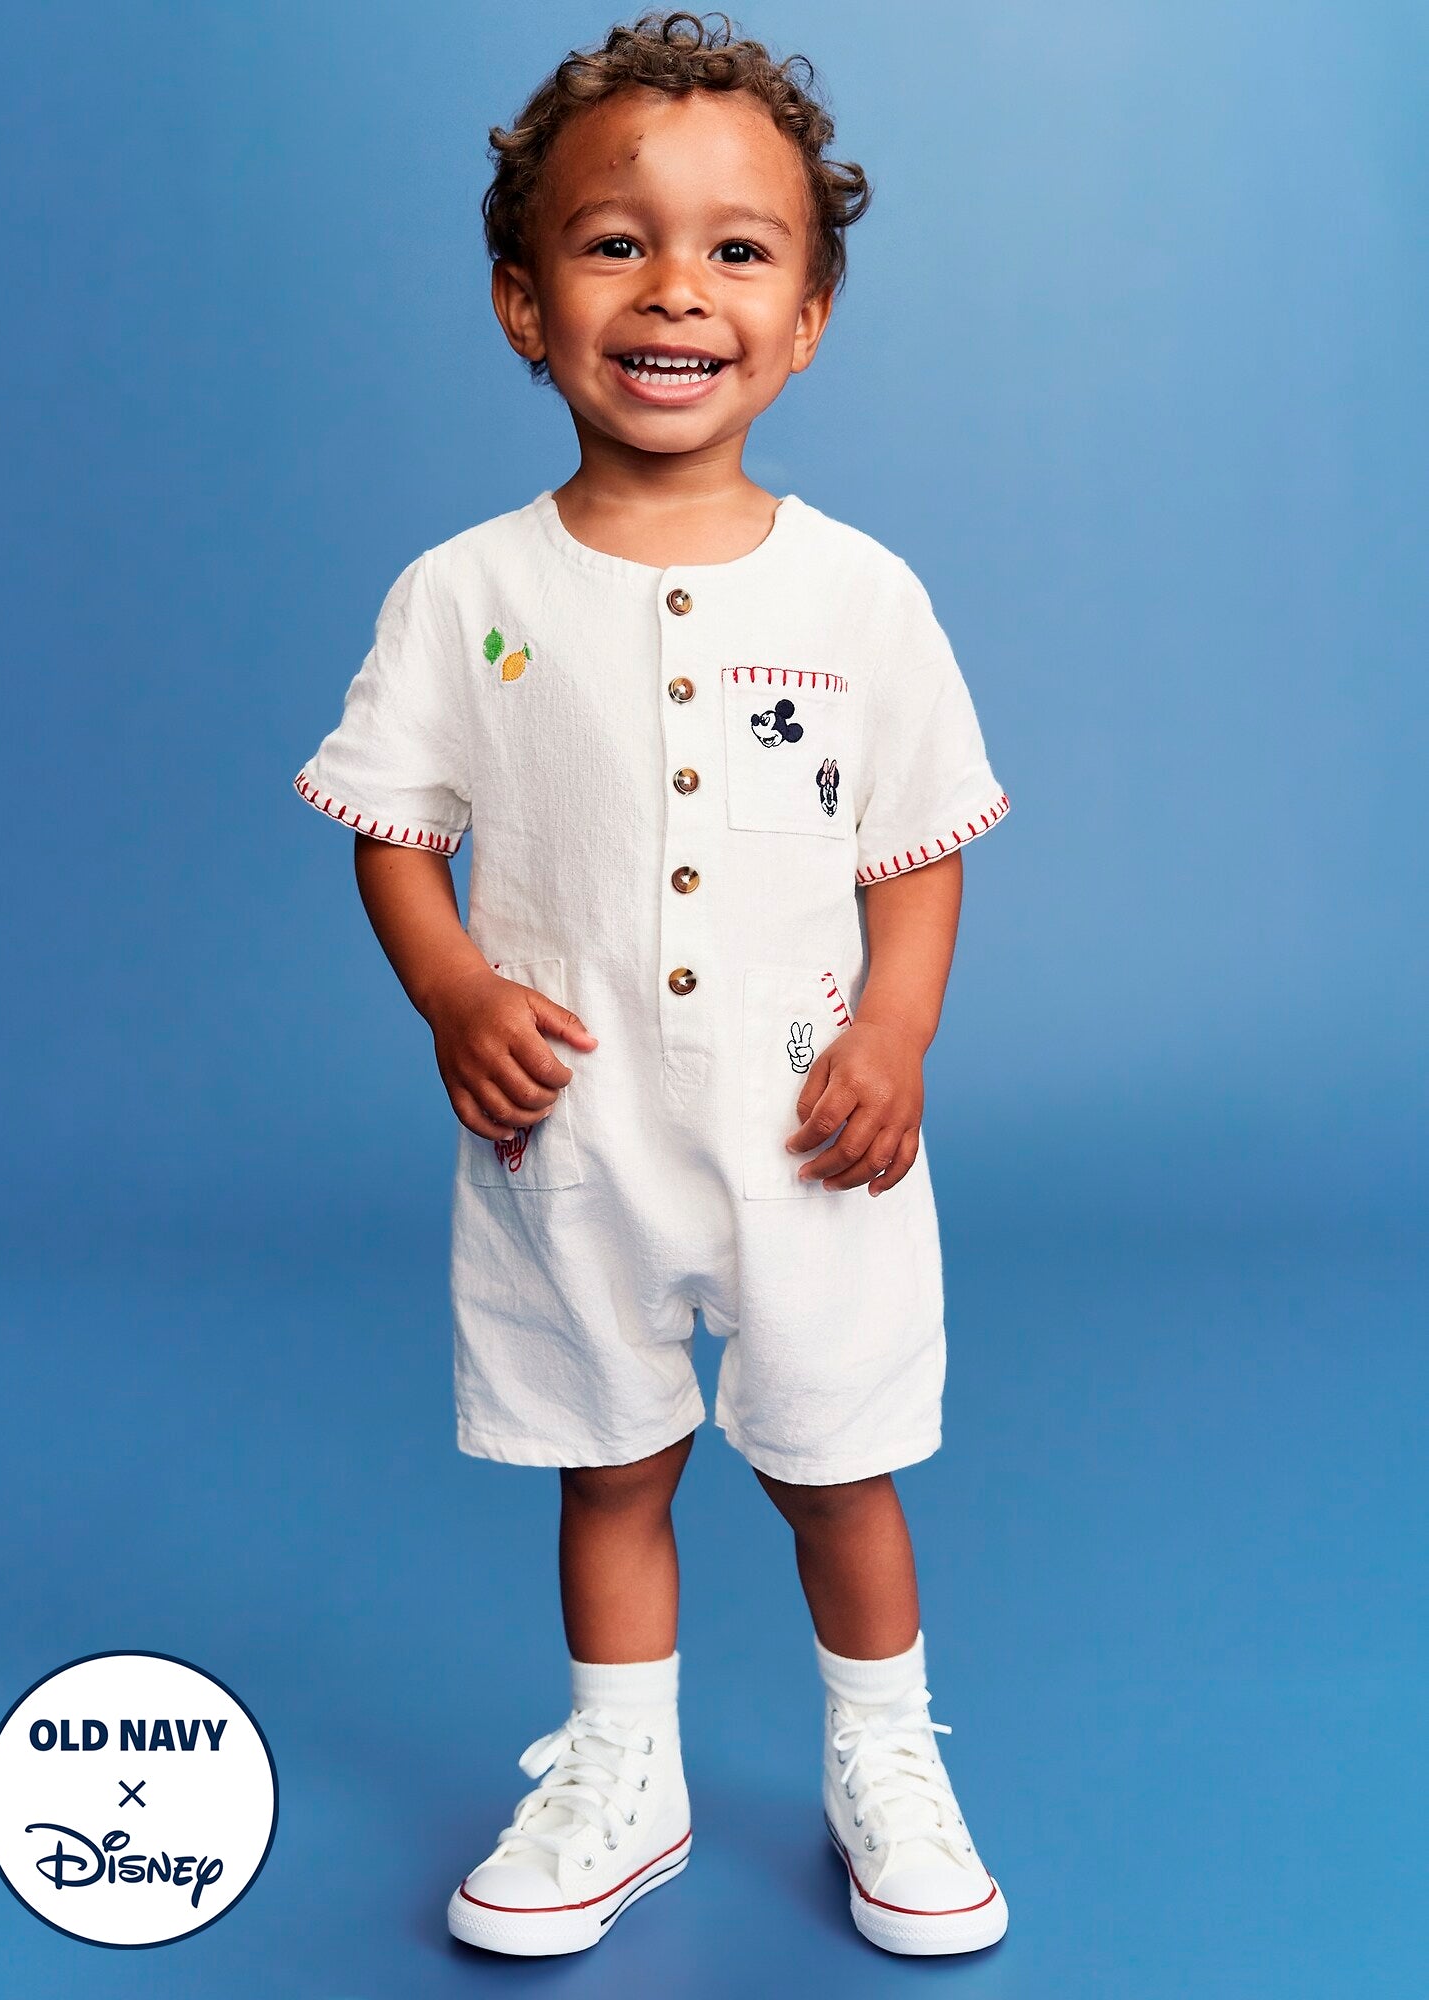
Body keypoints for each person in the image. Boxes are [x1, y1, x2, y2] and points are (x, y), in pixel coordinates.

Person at [293, 8, 1011, 1960]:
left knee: (836, 1468)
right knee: (607, 1462)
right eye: (616, 244)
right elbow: (393, 828)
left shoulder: (861, 597)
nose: (676, 287)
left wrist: (896, 1030)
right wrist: (453, 993)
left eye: (738, 249)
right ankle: (627, 1772)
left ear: (808, 317)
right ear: (526, 305)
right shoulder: (466, 594)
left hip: (810, 1136)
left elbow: (917, 845)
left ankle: (887, 1754)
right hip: (574, 1136)